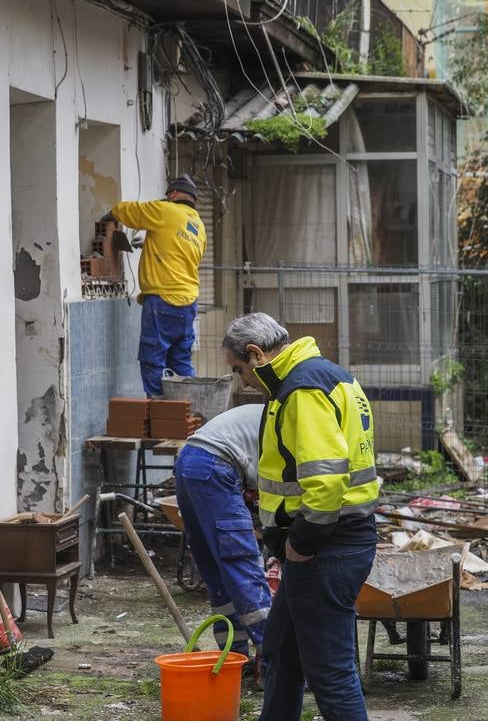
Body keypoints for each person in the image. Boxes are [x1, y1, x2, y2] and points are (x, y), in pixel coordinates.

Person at [222, 313, 379, 721]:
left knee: (330, 673)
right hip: (330, 545)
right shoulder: (328, 375)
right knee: (281, 654)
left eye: (239, 370)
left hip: (325, 548)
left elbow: (325, 483)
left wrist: (300, 545)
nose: (242, 381)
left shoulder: (302, 389)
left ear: (255, 355)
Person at [175, 403, 271, 677]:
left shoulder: (271, 413)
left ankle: (232, 660)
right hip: (216, 466)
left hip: (189, 462)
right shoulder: (290, 423)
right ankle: (273, 661)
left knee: (217, 569)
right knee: (242, 563)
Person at [104, 174, 206, 397]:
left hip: (163, 300)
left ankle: (160, 412)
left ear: (173, 194)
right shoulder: (197, 224)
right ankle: (188, 408)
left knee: (153, 358)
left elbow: (128, 211)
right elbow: (176, 252)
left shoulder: (165, 210)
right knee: (180, 360)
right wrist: (151, 243)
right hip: (188, 303)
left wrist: (111, 213)